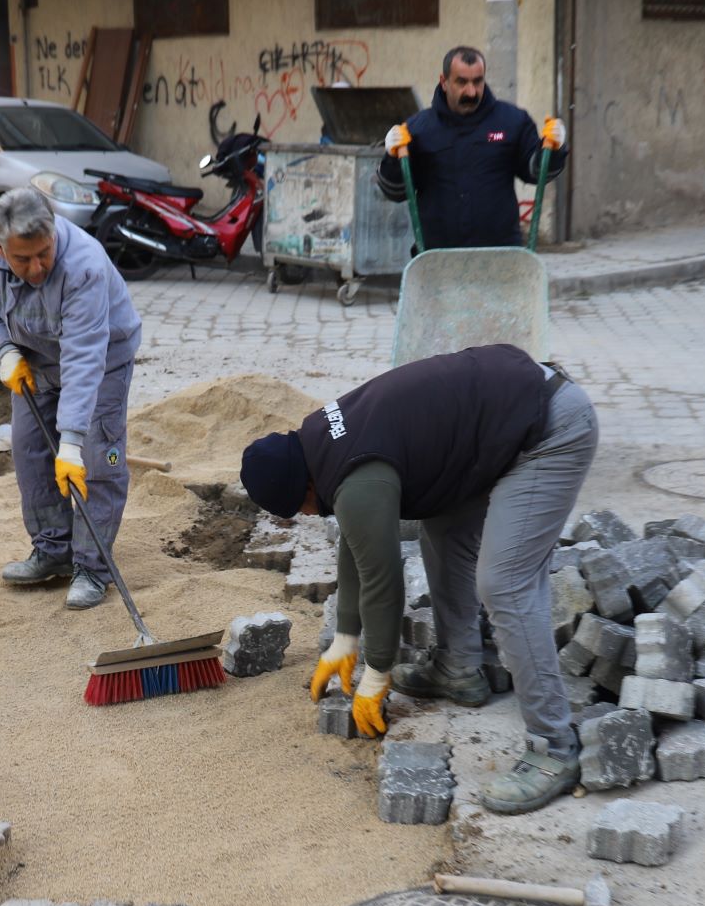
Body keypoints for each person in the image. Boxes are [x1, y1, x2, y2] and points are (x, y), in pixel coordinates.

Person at [239, 345, 599, 815]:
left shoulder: (356, 478)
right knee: (443, 529)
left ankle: (554, 748)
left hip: (549, 429)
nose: (310, 514)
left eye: (302, 510)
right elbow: (358, 536)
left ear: (303, 489)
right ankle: (458, 668)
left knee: (504, 582)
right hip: (507, 416)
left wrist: (377, 673)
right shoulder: (324, 441)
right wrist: (345, 638)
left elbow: (384, 581)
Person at [0, 187, 141, 610]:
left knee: (100, 461)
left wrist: (73, 442)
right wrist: (3, 349)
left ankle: (93, 568)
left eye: (44, 253)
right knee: (28, 452)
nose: (37, 266)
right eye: (23, 259)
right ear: (1, 245)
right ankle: (54, 550)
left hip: (101, 363)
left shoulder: (84, 266)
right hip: (34, 360)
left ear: (53, 233)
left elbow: (84, 359)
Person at [377, 45, 565, 250]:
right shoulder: (419, 129)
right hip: (438, 259)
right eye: (462, 82)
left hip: (501, 258)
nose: (471, 91)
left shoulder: (511, 122)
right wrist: (393, 159)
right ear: (444, 82)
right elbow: (395, 192)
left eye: (478, 81)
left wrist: (552, 151)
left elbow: (535, 172)